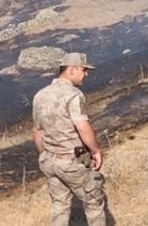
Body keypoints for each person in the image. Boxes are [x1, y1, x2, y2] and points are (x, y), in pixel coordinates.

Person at [32, 52, 106, 226]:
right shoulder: (73, 95)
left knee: (60, 205)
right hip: (71, 162)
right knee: (94, 203)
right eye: (84, 70)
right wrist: (96, 151)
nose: (86, 74)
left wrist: (45, 155)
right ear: (72, 70)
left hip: (50, 161)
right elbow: (82, 126)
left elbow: (37, 131)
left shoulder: (40, 95)